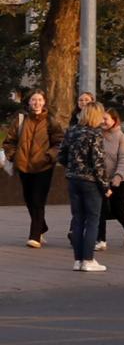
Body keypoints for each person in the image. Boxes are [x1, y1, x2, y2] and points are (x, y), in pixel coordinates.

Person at [2, 90, 64, 248]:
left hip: (43, 167)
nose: (37, 103)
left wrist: (49, 156)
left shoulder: (50, 120)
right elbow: (9, 141)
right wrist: (13, 156)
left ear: (44, 102)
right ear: (28, 102)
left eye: (40, 100)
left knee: (38, 200)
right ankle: (41, 226)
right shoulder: (21, 119)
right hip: (23, 166)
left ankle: (35, 236)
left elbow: (59, 142)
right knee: (29, 199)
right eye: (34, 100)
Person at [59, 101, 109, 272]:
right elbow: (98, 162)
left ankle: (78, 260)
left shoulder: (72, 131)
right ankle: (88, 259)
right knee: (93, 220)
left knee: (78, 219)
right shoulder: (95, 135)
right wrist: (105, 185)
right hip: (90, 182)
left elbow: (61, 155)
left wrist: (72, 168)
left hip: (73, 179)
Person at [97, 109, 124, 250]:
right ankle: (101, 240)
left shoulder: (122, 137)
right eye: (101, 119)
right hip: (101, 179)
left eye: (106, 119)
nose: (103, 122)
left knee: (118, 209)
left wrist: (118, 177)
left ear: (114, 120)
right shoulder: (97, 135)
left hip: (119, 180)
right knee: (100, 209)